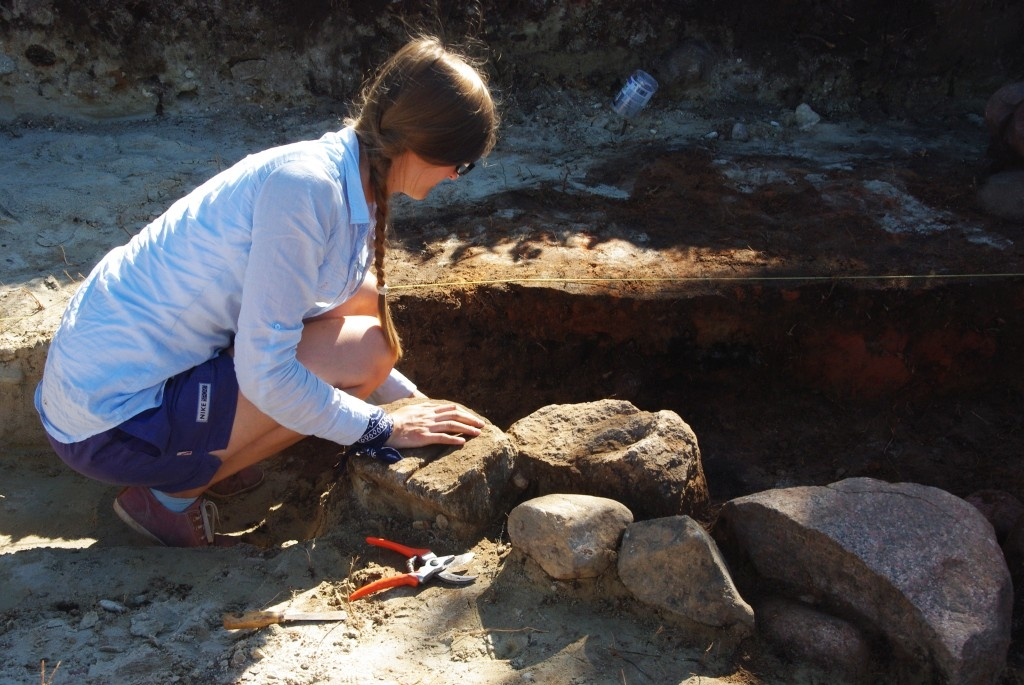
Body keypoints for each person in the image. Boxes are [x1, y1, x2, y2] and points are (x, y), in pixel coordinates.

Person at [34, 36, 500, 547]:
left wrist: (416, 402)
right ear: (421, 145)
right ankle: (169, 496)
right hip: (110, 425)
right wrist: (382, 428)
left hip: (114, 380)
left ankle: (209, 449)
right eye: (462, 164)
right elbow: (266, 373)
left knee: (364, 302)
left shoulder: (339, 170)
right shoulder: (305, 192)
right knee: (367, 351)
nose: (457, 177)